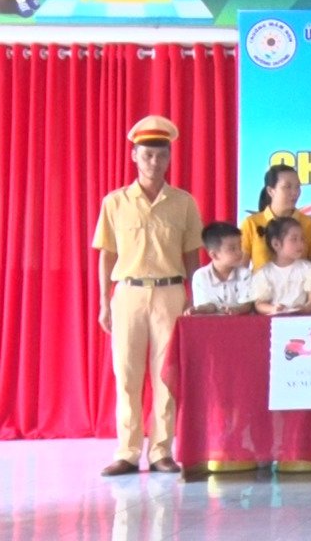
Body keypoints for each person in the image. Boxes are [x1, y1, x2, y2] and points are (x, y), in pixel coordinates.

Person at [92, 115, 203, 476]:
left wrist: (193, 296)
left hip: (171, 293)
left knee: (165, 375)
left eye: (161, 155)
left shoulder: (183, 202)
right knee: (126, 374)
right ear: (134, 157)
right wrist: (103, 302)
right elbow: (106, 254)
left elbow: (192, 253)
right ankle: (127, 451)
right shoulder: (115, 202)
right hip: (129, 293)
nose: (155, 162)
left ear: (169, 158)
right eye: (147, 155)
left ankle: (160, 451)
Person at [242, 164, 311, 271]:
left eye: (297, 187)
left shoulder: (310, 224)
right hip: (261, 282)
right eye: (287, 187)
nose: (294, 192)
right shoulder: (251, 223)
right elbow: (240, 270)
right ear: (271, 191)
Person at [249, 217, 311, 316]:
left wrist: (305, 308)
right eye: (294, 239)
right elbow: (260, 304)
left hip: (303, 320)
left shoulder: (310, 269)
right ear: (276, 244)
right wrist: (273, 309)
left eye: (302, 239)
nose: (300, 243)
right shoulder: (264, 273)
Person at [190, 222, 253, 315]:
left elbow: (247, 305)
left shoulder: (245, 274)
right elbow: (205, 306)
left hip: (240, 322)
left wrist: (237, 310)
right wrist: (201, 308)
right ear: (214, 255)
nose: (239, 252)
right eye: (232, 249)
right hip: (210, 323)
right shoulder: (200, 276)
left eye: (240, 247)